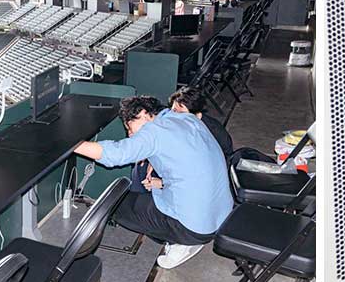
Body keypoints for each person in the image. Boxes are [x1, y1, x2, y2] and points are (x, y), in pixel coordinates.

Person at [73, 96, 232, 269]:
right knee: (147, 189)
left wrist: (71, 144)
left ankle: (181, 242)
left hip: (193, 228)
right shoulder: (186, 118)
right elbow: (191, 162)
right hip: (221, 217)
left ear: (144, 114)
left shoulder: (154, 132)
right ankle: (186, 236)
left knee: (116, 205)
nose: (129, 134)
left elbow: (115, 154)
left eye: (129, 127)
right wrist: (152, 160)